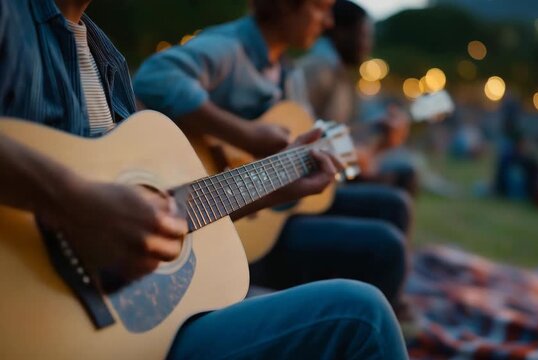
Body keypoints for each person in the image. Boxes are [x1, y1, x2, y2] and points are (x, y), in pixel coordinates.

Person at [0, 0, 409, 358]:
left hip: (133, 321)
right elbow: (160, 82)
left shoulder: (105, 57)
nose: (327, 22)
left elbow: (156, 211)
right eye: (319, 8)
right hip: (41, 328)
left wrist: (272, 187)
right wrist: (76, 202)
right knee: (362, 316)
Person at [133, 0, 412, 310]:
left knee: (392, 205)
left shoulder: (289, 74)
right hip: (221, 225)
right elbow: (154, 78)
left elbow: (308, 149)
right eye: (321, 8)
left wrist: (374, 148)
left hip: (274, 210)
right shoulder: (228, 48)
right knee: (385, 247)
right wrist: (245, 135)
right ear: (284, 6)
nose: (329, 22)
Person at [298, 0, 419, 196]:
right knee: (400, 189)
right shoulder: (318, 69)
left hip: (328, 173)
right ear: (341, 32)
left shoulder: (341, 75)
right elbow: (299, 134)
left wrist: (381, 142)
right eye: (363, 36)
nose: (367, 46)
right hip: (308, 183)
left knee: (404, 174)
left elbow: (348, 139)